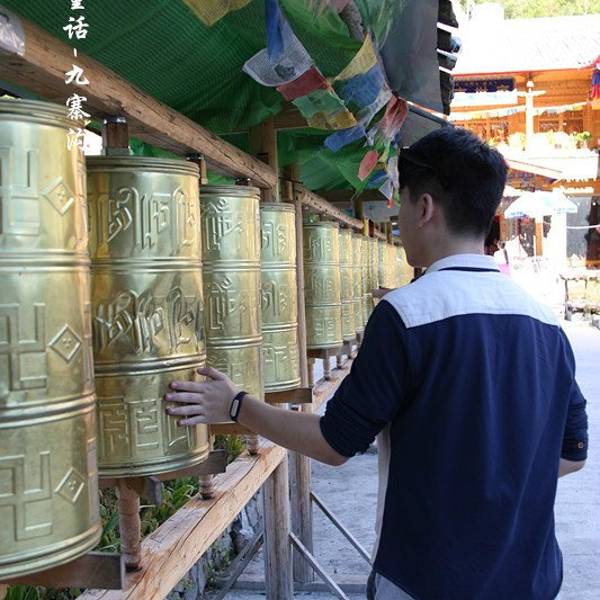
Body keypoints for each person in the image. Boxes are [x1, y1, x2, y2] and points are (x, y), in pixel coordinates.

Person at [165, 127, 588, 600]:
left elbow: (335, 443)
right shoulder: (545, 322)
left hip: (424, 580)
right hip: (530, 581)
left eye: (401, 202)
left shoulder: (406, 315)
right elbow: (572, 453)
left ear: (424, 208)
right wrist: (497, 477)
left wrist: (237, 405)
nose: (398, 218)